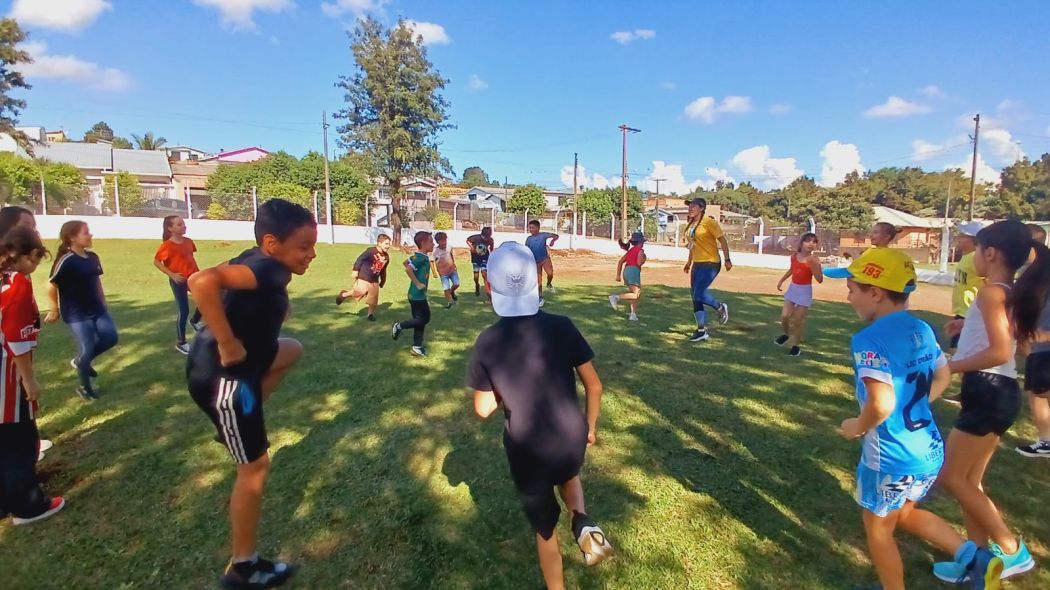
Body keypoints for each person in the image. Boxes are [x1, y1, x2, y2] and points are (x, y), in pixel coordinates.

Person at [826, 247, 1002, 589]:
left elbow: (881, 404)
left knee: (879, 528)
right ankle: (975, 558)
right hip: (928, 451)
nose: (848, 297)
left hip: (892, 457)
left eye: (852, 289)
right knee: (904, 513)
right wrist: (920, 400)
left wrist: (856, 426)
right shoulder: (922, 328)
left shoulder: (869, 340)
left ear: (875, 292)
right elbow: (943, 374)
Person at [186, 198, 317, 589]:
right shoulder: (267, 268)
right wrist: (227, 342)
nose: (311, 255)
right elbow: (201, 281)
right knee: (255, 468)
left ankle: (237, 423)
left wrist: (275, 310)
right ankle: (243, 569)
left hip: (224, 368)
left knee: (291, 349)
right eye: (304, 247)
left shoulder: (258, 259)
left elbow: (227, 282)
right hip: (225, 378)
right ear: (272, 243)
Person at [467, 242, 614, 590]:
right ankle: (582, 521)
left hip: (527, 449)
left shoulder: (488, 341)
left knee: (545, 528)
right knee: (568, 474)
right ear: (535, 280)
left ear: (489, 287)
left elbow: (483, 409)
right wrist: (590, 428)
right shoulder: (563, 326)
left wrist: (503, 387)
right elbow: (594, 386)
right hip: (570, 435)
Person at [937, 219, 1048, 581]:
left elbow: (1000, 351)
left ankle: (1011, 550)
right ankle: (979, 560)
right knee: (970, 480)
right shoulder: (1004, 292)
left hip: (989, 390)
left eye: (976, 249)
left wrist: (951, 366)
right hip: (996, 392)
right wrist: (965, 327)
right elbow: (1007, 339)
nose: (971, 255)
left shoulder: (992, 293)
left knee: (952, 477)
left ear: (990, 253)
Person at [0, 226, 66, 526]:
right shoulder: (16, 283)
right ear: (22, 255)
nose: (36, 266)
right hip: (7, 370)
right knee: (20, 438)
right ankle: (28, 505)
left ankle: (6, 500)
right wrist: (28, 379)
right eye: (36, 259)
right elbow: (16, 337)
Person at [45, 221, 117, 401]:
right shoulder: (66, 260)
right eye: (86, 232)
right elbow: (51, 284)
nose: (90, 235)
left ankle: (80, 361)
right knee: (88, 347)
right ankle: (85, 387)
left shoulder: (93, 257)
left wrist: (103, 300)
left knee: (111, 338)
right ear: (72, 237)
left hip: (97, 309)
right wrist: (54, 309)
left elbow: (96, 281)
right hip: (76, 313)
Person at [1015, 223, 1050, 458]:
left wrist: (1046, 335)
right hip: (1038, 344)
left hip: (1045, 343)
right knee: (1037, 392)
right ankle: (1046, 441)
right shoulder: (1031, 272)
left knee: (1041, 392)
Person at [681, 198, 731, 342]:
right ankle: (701, 330)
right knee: (695, 296)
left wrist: (727, 259)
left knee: (699, 294)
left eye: (693, 206)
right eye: (689, 206)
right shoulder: (690, 224)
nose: (690, 208)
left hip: (711, 262)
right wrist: (689, 262)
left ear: (701, 208)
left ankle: (720, 307)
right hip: (697, 263)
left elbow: (722, 240)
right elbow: (693, 245)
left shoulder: (709, 222)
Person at [154, 215, 202, 355]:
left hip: (193, 277)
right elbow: (156, 262)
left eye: (183, 224)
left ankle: (195, 321)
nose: (184, 226)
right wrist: (172, 275)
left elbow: (189, 258)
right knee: (184, 310)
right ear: (170, 228)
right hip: (179, 281)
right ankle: (181, 343)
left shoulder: (189, 242)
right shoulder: (167, 246)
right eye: (179, 224)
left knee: (206, 299)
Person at [774, 232, 824, 357]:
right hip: (793, 288)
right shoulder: (794, 256)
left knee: (798, 321)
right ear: (801, 243)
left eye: (814, 242)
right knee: (785, 316)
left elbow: (819, 279)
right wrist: (781, 280)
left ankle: (795, 346)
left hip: (804, 291)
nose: (811, 244)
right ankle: (786, 335)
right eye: (808, 241)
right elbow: (792, 269)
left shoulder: (814, 260)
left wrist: (814, 266)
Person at [392, 231, 434, 357]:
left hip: (416, 294)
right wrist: (417, 283)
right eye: (431, 241)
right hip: (417, 295)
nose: (433, 244)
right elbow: (408, 268)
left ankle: (417, 347)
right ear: (423, 243)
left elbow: (406, 262)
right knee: (424, 318)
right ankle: (399, 326)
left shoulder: (418, 256)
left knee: (419, 320)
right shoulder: (420, 258)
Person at [336, 234, 391, 321]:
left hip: (374, 280)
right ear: (379, 243)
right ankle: (344, 294)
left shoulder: (386, 257)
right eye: (386, 244)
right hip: (364, 276)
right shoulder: (371, 251)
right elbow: (360, 259)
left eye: (389, 244)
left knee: (373, 300)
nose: (388, 246)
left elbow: (383, 270)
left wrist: (383, 280)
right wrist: (355, 270)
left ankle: (370, 315)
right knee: (360, 291)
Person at [608, 231, 646, 321]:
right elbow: (639, 263)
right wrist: (644, 260)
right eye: (642, 242)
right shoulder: (640, 251)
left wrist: (618, 275)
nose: (643, 243)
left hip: (626, 271)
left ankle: (633, 314)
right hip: (634, 271)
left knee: (633, 293)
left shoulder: (630, 251)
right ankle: (615, 297)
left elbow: (620, 262)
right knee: (636, 294)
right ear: (639, 242)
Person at [525, 220, 558, 306]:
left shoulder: (543, 235)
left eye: (533, 227)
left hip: (545, 259)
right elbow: (526, 250)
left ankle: (549, 284)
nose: (531, 229)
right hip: (535, 261)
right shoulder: (529, 239)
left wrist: (552, 241)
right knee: (538, 281)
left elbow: (556, 236)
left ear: (538, 228)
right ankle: (540, 297)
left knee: (550, 273)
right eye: (530, 228)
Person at [433, 231, 460, 308]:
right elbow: (432, 261)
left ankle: (451, 292)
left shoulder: (449, 247)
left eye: (445, 240)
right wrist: (434, 272)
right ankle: (449, 303)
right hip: (443, 273)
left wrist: (454, 264)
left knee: (457, 283)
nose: (444, 242)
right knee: (446, 288)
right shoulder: (435, 251)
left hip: (452, 270)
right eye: (442, 241)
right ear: (437, 242)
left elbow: (451, 255)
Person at [466, 227, 494, 298]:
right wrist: (472, 248)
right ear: (484, 234)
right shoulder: (476, 238)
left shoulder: (490, 240)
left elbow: (491, 249)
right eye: (489, 233)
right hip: (476, 257)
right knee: (476, 276)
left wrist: (492, 257)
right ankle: (477, 285)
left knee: (484, 274)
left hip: (485, 257)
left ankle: (488, 290)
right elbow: (467, 240)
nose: (490, 235)